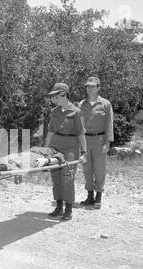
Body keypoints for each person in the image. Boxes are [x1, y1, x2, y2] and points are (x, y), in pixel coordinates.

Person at [44, 83, 87, 221]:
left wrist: (84, 152)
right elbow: (50, 132)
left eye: (55, 96)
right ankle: (58, 206)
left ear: (64, 94)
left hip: (70, 147)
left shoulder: (76, 112)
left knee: (67, 178)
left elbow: (81, 134)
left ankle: (68, 209)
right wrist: (45, 150)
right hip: (55, 147)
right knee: (56, 177)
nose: (53, 99)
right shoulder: (54, 112)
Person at [79, 76, 114, 209]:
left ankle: (98, 195)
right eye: (88, 86)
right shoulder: (81, 104)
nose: (89, 88)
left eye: (93, 86)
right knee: (87, 168)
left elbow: (109, 124)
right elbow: (78, 124)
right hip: (85, 140)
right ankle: (90, 195)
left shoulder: (105, 104)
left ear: (98, 88)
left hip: (100, 140)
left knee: (99, 169)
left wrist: (108, 143)